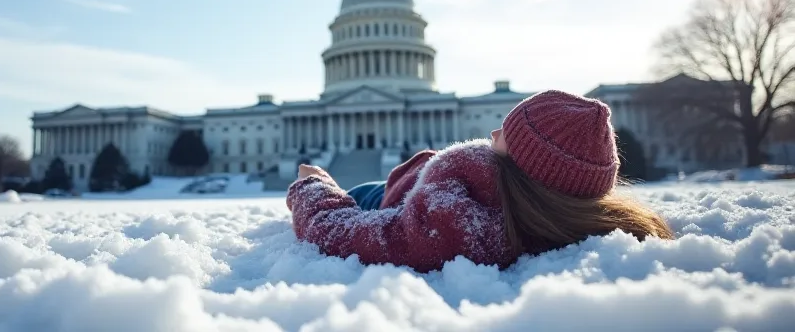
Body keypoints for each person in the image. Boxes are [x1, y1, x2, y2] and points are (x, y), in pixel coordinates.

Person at [286, 90, 673, 272]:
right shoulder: (557, 207)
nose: (490, 132)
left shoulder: (462, 219)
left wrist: (315, 185)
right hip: (410, 181)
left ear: (525, 161)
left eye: (505, 131)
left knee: (365, 192)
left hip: (381, 200)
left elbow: (338, 230)